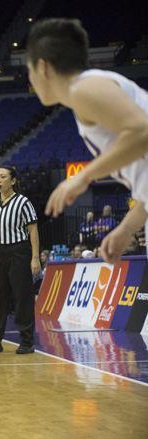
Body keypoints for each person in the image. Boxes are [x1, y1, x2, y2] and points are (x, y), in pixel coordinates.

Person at [27, 19, 148, 263]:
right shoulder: (90, 90)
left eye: (28, 70)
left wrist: (83, 177)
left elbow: (142, 132)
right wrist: (125, 229)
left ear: (43, 67)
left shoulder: (84, 88)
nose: (30, 79)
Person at [0, 166, 41, 355]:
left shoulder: (23, 202)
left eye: (3, 177)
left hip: (19, 252)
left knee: (22, 298)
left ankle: (27, 342)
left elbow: (33, 230)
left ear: (13, 181)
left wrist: (35, 257)